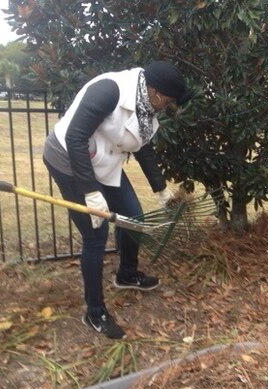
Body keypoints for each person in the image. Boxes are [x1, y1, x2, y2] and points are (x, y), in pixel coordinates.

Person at [43, 60, 192, 339]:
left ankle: (126, 273)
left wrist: (160, 189)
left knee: (134, 217)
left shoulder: (147, 107)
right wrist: (89, 191)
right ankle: (95, 312)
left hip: (102, 160)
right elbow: (75, 137)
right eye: (169, 101)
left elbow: (142, 147)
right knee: (96, 234)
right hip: (68, 159)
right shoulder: (110, 90)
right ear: (156, 92)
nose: (169, 107)